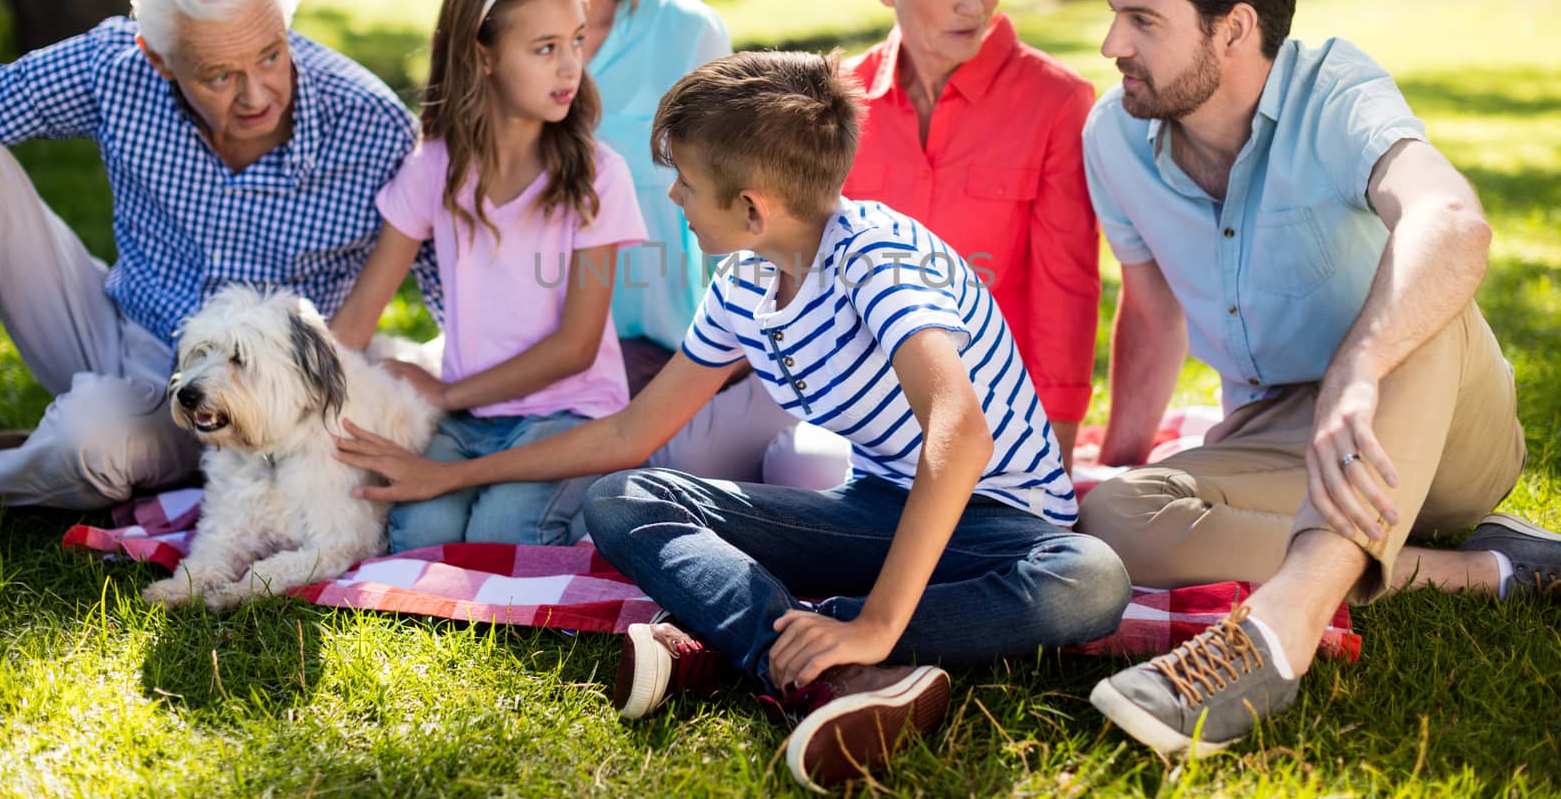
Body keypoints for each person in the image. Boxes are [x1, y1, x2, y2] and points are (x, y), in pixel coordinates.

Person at [335, 51, 1132, 789]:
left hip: (1002, 530)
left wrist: (880, 620)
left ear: (752, 207)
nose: (674, 197)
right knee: (622, 497)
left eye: (682, 180)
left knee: (1093, 580)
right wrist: (451, 473)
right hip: (882, 515)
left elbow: (962, 438)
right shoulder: (748, 283)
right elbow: (629, 434)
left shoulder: (879, 258)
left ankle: (785, 642)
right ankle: (816, 665)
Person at [1076, 0, 1558, 757]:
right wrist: (1115, 460)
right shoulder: (1113, 136)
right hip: (1285, 434)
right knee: (1113, 519)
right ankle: (1482, 570)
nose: (1113, 45)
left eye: (1144, 21)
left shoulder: (1335, 90)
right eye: (1117, 15)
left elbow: (1454, 222)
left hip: (1439, 419)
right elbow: (1149, 310)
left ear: (1234, 30)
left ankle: (1276, 632)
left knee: (1422, 280)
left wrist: (1358, 369)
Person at [0, 0, 431, 509]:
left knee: (90, 443)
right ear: (159, 60)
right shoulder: (116, 68)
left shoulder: (371, 125)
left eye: (270, 55)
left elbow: (459, 277)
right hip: (115, 326)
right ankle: (45, 446)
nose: (256, 95)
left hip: (245, 397)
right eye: (219, 75)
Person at [467, 0, 795, 481]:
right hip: (522, 348)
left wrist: (730, 350)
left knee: (579, 496)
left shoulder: (686, 31)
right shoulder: (485, 43)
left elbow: (750, 209)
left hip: (662, 350)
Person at [328, 0, 647, 549]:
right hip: (470, 418)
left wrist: (446, 392)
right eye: (545, 48)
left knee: (504, 534)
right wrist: (302, 401)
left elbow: (577, 347)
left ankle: (601, 504)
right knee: (422, 532)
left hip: (569, 413)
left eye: (576, 41)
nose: (569, 67)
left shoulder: (598, 176)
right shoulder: (434, 169)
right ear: (483, 57)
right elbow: (361, 314)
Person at [832, 0, 1099, 480]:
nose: (973, 3)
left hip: (1002, 421)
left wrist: (1052, 449)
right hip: (863, 416)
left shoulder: (1057, 102)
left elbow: (1069, 288)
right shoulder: (834, 101)